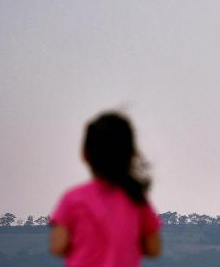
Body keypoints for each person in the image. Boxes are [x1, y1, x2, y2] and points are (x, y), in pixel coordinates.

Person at [49, 112, 161, 265]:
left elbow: (58, 247)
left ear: (85, 154)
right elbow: (153, 248)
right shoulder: (136, 198)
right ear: (131, 154)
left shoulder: (73, 198)